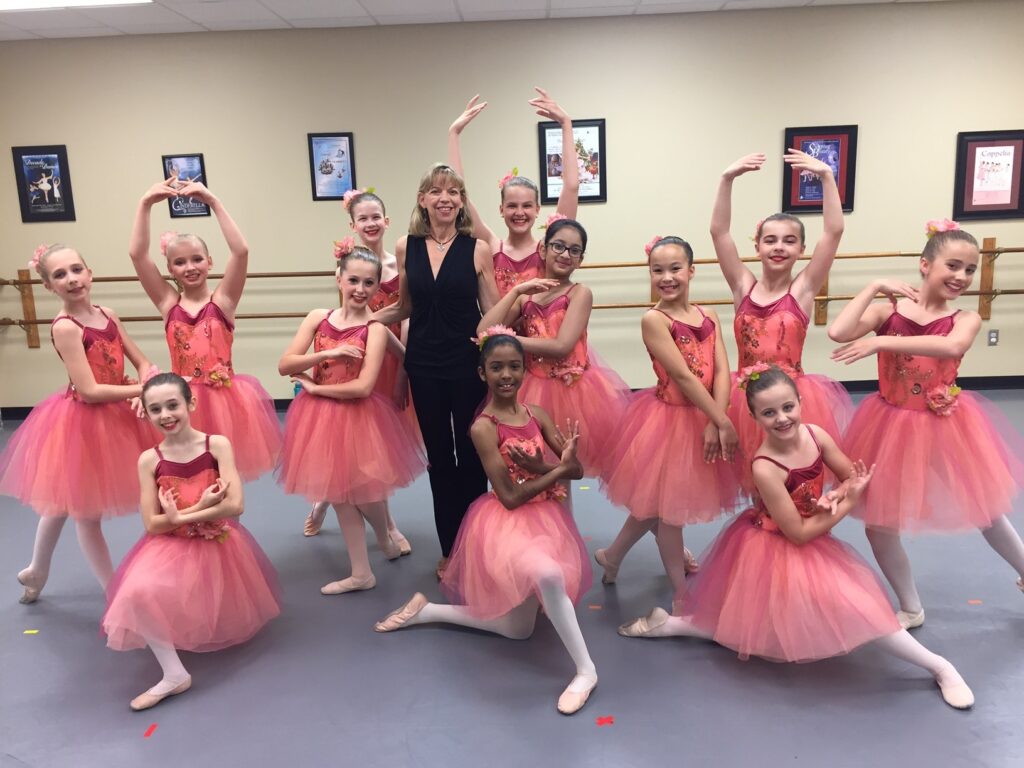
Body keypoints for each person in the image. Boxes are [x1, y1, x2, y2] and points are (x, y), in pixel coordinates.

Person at [619, 367, 975, 711]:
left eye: (788, 407)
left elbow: (851, 475)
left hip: (810, 535)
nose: (782, 418)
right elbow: (799, 534)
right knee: (841, 613)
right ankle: (941, 666)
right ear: (755, 418)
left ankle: (671, 624)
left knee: (758, 626)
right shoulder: (765, 466)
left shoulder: (817, 435)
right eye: (769, 413)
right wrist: (847, 501)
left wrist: (837, 493)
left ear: (801, 401)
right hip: (777, 546)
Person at [374, 331, 598, 715]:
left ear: (525, 370)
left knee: (518, 629)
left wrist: (547, 467)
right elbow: (510, 495)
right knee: (548, 575)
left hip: (545, 519)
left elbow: (575, 470)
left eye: (514, 366)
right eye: (496, 368)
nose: (506, 375)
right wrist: (547, 472)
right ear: (482, 374)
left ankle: (428, 611)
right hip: (506, 522)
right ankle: (586, 670)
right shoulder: (483, 427)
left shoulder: (538, 415)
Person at [829, 221, 1024, 628]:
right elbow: (838, 331)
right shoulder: (888, 312)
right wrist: (874, 286)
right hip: (888, 427)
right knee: (880, 524)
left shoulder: (964, 318)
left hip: (947, 427)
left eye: (969, 270)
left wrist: (882, 342)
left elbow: (951, 346)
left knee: (986, 511)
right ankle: (911, 605)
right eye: (953, 265)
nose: (962, 277)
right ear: (924, 265)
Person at [101, 373, 280, 711]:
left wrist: (183, 515)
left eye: (173, 405)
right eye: (156, 409)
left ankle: (177, 667)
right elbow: (153, 524)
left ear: (191, 403)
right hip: (170, 544)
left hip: (218, 542)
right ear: (147, 414)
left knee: (201, 597)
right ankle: (174, 674)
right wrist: (200, 510)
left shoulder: (217, 445)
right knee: (135, 592)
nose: (166, 415)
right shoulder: (149, 460)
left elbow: (235, 505)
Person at [1, 244, 157, 604]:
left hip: (117, 415)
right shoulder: (66, 327)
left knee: (62, 499)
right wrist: (142, 389)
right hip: (84, 420)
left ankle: (37, 570)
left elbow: (142, 360)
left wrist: (143, 379)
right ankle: (114, 593)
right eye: (59, 275)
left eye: (76, 270)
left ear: (90, 273)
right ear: (48, 286)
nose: (71, 279)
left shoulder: (108, 314)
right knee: (86, 514)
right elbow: (88, 391)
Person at [372, 163, 499, 580]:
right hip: (424, 366)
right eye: (436, 191)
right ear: (422, 199)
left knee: (473, 457)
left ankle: (475, 547)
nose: (445, 197)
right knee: (441, 461)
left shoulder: (477, 247)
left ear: (461, 201)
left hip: (467, 367)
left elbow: (494, 311)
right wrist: (361, 322)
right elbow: (407, 307)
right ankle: (450, 550)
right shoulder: (407, 246)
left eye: (454, 191)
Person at [597, 236, 741, 592]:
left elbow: (723, 371)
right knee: (669, 513)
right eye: (657, 270)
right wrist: (721, 421)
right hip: (668, 422)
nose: (667, 277)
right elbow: (682, 376)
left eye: (675, 268)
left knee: (656, 505)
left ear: (692, 271)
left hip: (704, 416)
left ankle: (612, 556)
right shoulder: (654, 319)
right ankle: (680, 595)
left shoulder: (709, 314)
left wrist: (714, 418)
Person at [278, 247, 425, 594]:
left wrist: (315, 391)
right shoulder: (318, 317)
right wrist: (329, 352)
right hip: (321, 421)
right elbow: (286, 365)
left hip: (359, 416)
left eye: (369, 283)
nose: (360, 288)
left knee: (367, 491)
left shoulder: (374, 328)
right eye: (354, 280)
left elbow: (361, 387)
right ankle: (361, 572)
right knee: (339, 493)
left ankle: (384, 535)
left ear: (377, 288)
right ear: (339, 278)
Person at [710, 151, 852, 487]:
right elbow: (719, 232)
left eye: (790, 241)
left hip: (790, 395)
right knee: (756, 476)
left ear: (801, 249)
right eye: (770, 240)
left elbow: (833, 231)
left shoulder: (802, 289)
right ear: (757, 246)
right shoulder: (743, 286)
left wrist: (827, 177)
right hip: (747, 396)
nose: (779, 247)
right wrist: (726, 179)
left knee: (796, 474)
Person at [128, 179, 282, 480]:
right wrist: (144, 204)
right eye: (180, 262)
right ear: (171, 270)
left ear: (209, 262)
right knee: (188, 473)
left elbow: (241, 251)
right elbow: (137, 255)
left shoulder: (223, 301)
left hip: (225, 401)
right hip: (180, 400)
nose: (190, 267)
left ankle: (226, 526)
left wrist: (214, 202)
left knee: (224, 474)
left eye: (197, 259)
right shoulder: (167, 303)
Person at [303, 189, 420, 550]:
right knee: (353, 445)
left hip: (390, 358)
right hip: (356, 359)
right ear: (352, 225)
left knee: (379, 449)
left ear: (386, 221)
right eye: (362, 218)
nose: (370, 224)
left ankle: (347, 507)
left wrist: (404, 371)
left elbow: (409, 316)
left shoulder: (400, 265)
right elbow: (343, 316)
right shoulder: (350, 266)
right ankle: (385, 524)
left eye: (376, 217)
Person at [477, 218, 629, 476]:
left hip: (574, 391)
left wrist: (508, 341)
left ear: (580, 259)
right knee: (532, 468)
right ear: (543, 250)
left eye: (574, 250)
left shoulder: (579, 293)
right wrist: (515, 293)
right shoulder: (526, 296)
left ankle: (561, 516)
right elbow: (484, 330)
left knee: (564, 466)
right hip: (533, 387)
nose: (565, 254)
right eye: (558, 246)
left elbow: (562, 345)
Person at [448, 88, 580, 296]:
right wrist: (453, 134)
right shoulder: (491, 246)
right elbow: (458, 194)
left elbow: (571, 187)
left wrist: (566, 125)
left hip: (546, 329)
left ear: (537, 209)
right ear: (501, 209)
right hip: (499, 328)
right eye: (512, 206)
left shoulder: (550, 248)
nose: (519, 212)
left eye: (527, 205)